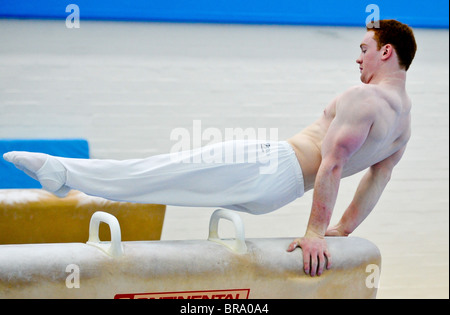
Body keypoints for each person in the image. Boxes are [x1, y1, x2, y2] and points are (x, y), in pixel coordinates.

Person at [3, 20, 417, 277]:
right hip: (280, 191)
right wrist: (343, 230)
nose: (358, 59)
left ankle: (62, 173)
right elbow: (377, 177)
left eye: (364, 50)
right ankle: (65, 176)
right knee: (168, 183)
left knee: (162, 170)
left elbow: (332, 164)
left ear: (386, 52)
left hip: (270, 167)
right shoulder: (404, 123)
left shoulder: (364, 99)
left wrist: (314, 234)